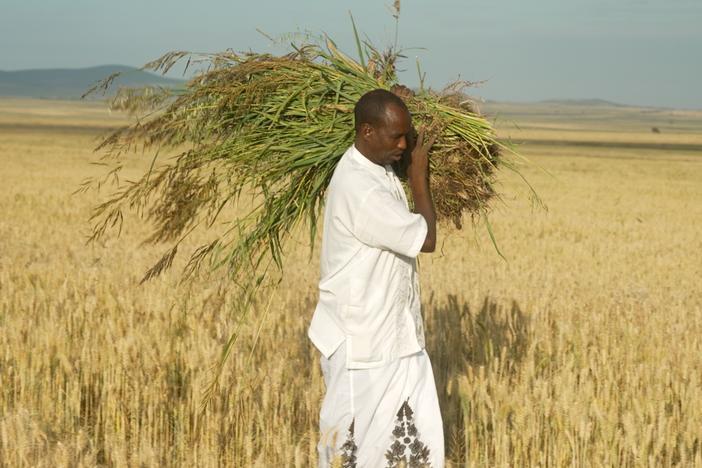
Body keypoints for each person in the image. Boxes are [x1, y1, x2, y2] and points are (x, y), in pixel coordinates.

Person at [308, 88, 444, 467]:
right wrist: (419, 175)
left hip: (396, 338)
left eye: (407, 135)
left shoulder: (376, 168)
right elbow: (426, 239)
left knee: (412, 447)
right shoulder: (360, 188)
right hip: (363, 345)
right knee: (352, 454)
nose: (404, 144)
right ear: (366, 132)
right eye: (395, 137)